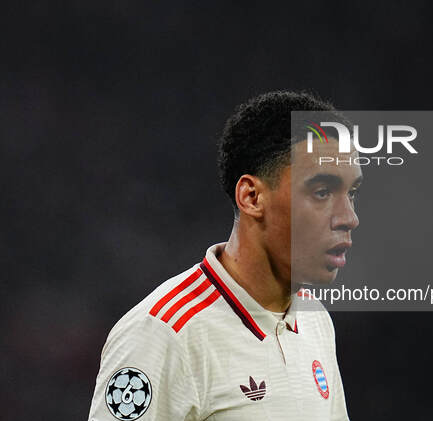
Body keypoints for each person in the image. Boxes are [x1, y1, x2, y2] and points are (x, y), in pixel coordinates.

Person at [88, 91, 363, 420]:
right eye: (322, 192)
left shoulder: (314, 319)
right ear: (252, 196)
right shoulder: (163, 334)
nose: (349, 217)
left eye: (351, 193)